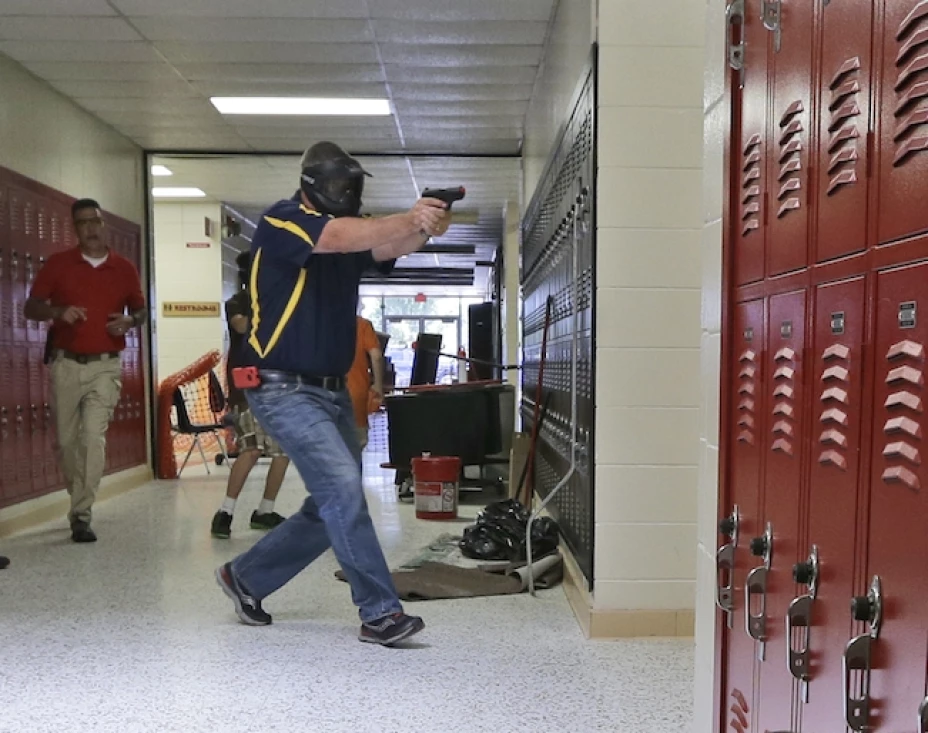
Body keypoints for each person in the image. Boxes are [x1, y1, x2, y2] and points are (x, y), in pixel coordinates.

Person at [215, 141, 450, 646]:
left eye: (351, 185)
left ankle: (245, 577)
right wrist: (409, 217)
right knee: (343, 489)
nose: (346, 193)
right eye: (338, 185)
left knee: (331, 505)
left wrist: (425, 227)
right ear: (312, 185)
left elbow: (386, 247)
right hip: (282, 388)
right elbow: (341, 236)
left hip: (331, 390)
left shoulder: (347, 234)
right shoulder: (283, 221)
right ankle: (380, 613)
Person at [24, 198, 146, 543]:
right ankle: (78, 494)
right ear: (75, 228)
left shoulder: (124, 268)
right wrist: (57, 312)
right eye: (83, 222)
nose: (90, 228)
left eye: (95, 221)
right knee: (66, 443)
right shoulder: (59, 265)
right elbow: (30, 307)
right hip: (66, 364)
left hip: (105, 366)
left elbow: (140, 310)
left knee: (93, 438)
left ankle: (81, 514)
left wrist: (130, 321)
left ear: (103, 225)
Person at [211, 251, 291, 539]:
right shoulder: (238, 302)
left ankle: (265, 511)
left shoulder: (281, 300)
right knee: (252, 449)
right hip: (247, 388)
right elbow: (243, 326)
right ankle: (225, 512)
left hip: (277, 386)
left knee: (283, 451)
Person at [346, 315, 384, 452]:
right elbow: (376, 356)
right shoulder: (362, 324)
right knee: (357, 442)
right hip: (356, 392)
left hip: (324, 393)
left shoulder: (320, 324)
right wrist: (378, 385)